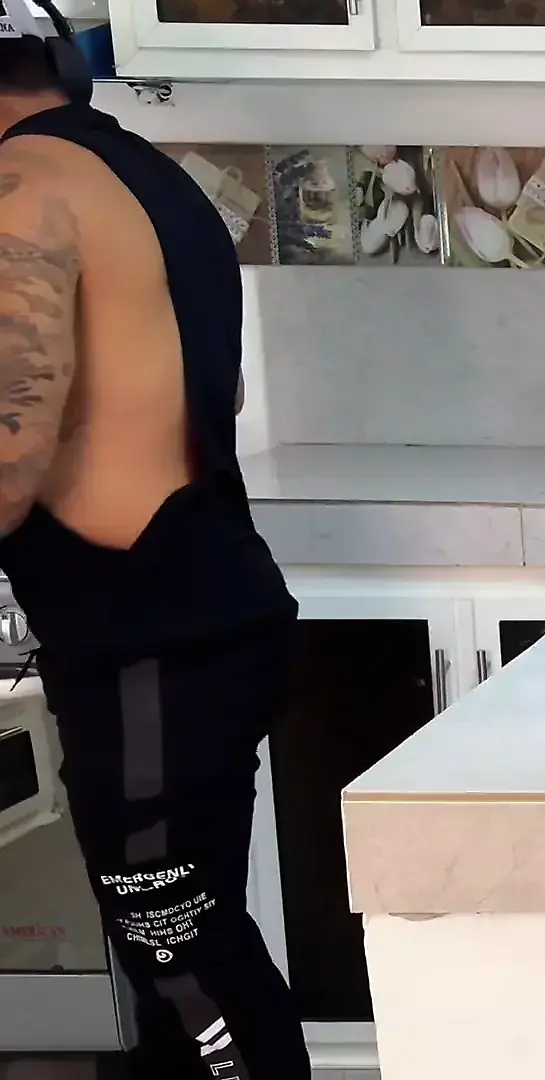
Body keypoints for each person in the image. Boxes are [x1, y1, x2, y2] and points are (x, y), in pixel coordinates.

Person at [0, 3, 307, 1077]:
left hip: (147, 644)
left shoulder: (27, 186)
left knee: (182, 962)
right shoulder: (146, 175)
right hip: (194, 614)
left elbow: (7, 451)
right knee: (189, 947)